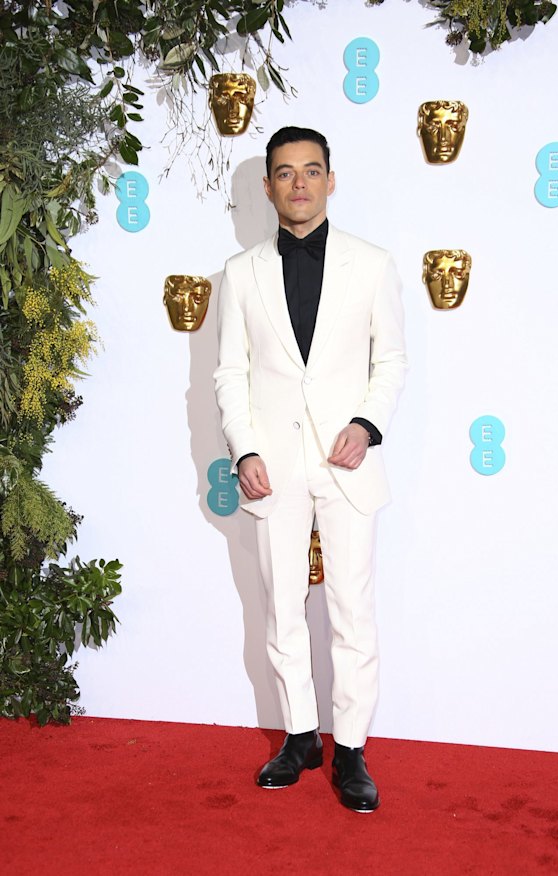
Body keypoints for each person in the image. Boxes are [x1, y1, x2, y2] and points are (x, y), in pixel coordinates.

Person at [214, 126, 407, 812]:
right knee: (282, 607)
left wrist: (366, 424)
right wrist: (245, 450)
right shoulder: (239, 274)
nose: (299, 183)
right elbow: (229, 375)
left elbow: (391, 362)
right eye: (286, 173)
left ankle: (351, 749)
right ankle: (300, 737)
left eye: (312, 170)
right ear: (267, 187)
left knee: (354, 610)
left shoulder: (374, 263)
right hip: (274, 467)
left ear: (331, 180)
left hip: (347, 464)